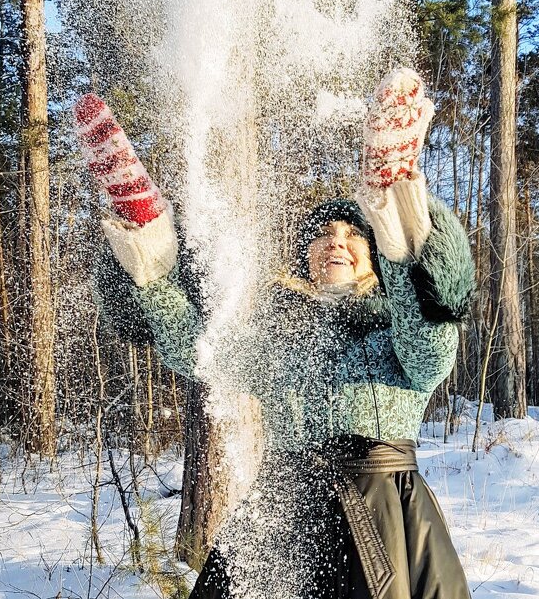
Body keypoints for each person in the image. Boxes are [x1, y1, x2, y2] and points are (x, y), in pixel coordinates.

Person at [76, 68, 475, 599]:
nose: (336, 241)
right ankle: (147, 229)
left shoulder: (395, 329)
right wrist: (151, 276)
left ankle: (395, 197)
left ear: (375, 260)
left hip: (383, 521)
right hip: (283, 517)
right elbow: (202, 352)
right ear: (306, 259)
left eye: (354, 234)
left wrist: (399, 246)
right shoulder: (283, 341)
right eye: (322, 236)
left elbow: (431, 347)